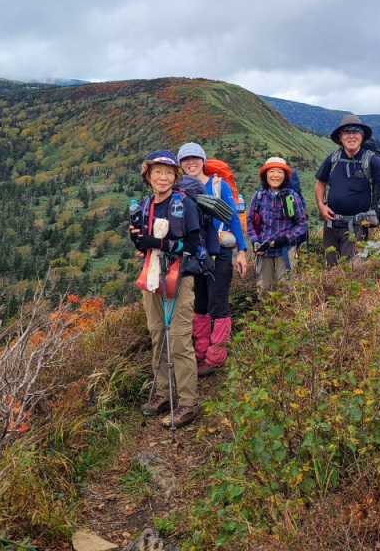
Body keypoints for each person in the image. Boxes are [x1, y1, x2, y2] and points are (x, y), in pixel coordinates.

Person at [129, 150, 201, 427]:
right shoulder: (145, 205)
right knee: (158, 335)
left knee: (180, 339)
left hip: (179, 276)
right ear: (147, 176)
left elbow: (194, 246)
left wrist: (158, 243)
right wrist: (138, 239)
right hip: (151, 275)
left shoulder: (184, 204)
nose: (163, 177)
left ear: (175, 177)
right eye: (157, 172)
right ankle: (161, 392)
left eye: (168, 172)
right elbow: (142, 244)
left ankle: (187, 402)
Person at [177, 142, 248, 377]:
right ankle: (200, 352)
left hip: (220, 253)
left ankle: (216, 356)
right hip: (195, 254)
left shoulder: (219, 185)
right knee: (200, 304)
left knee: (218, 303)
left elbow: (233, 219)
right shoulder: (180, 188)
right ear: (180, 164)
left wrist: (242, 250)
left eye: (195, 158)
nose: (191, 163)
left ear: (203, 160)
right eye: (186, 159)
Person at [315, 115, 380, 266]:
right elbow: (320, 182)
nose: (351, 136)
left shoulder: (370, 159)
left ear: (362, 136)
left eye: (356, 132)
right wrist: (320, 204)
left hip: (356, 227)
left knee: (349, 271)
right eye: (347, 132)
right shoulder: (333, 158)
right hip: (331, 226)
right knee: (331, 269)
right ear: (340, 137)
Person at [248, 157, 308, 290]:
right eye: (272, 171)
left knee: (286, 289)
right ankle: (264, 311)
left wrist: (286, 238)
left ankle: (285, 312)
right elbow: (250, 222)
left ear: (285, 176)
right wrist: (255, 241)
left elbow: (302, 223)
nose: (275, 175)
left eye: (280, 172)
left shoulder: (291, 197)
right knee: (263, 288)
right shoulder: (258, 196)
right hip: (264, 250)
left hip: (285, 249)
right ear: (265, 175)